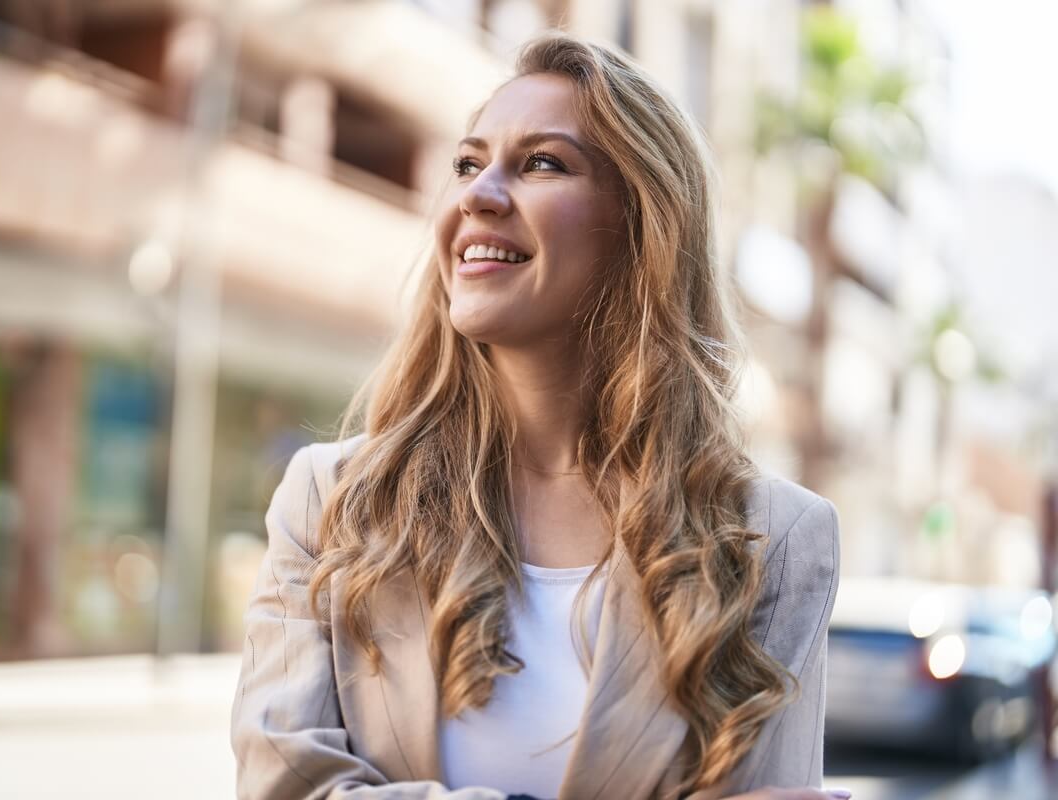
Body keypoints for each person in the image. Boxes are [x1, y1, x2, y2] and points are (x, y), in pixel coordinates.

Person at [231, 33, 844, 800]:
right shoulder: (330, 503)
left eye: (542, 163)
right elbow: (285, 786)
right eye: (467, 164)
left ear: (641, 225)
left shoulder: (775, 538)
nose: (477, 195)